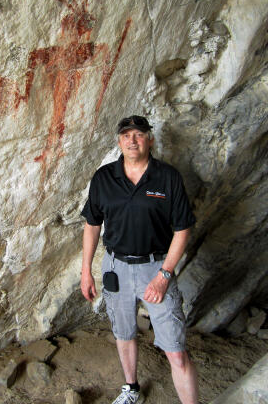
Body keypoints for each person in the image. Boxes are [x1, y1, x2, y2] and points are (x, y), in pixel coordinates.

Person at [80, 115, 199, 404]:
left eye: (139, 134)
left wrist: (164, 275)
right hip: (115, 267)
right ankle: (131, 388)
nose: (132, 140)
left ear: (150, 139)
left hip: (156, 268)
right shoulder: (104, 178)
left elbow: (183, 229)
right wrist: (86, 271)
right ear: (119, 141)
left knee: (176, 351)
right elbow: (92, 224)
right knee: (124, 332)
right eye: (126, 135)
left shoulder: (167, 177)